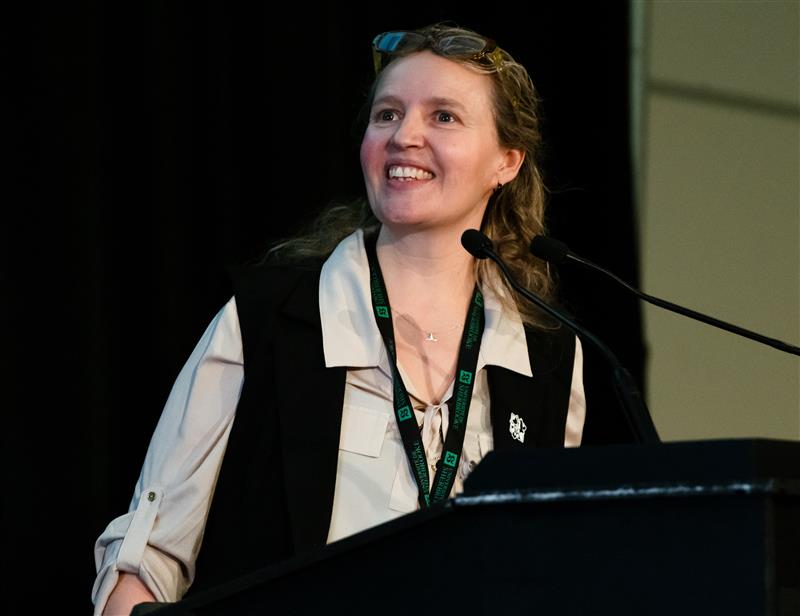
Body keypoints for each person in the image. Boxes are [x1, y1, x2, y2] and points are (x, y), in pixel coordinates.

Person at [92, 22, 586, 615]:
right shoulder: (269, 318)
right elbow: (147, 558)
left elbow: (552, 572)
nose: (405, 136)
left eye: (443, 116)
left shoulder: (549, 356)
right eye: (387, 114)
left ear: (507, 161)